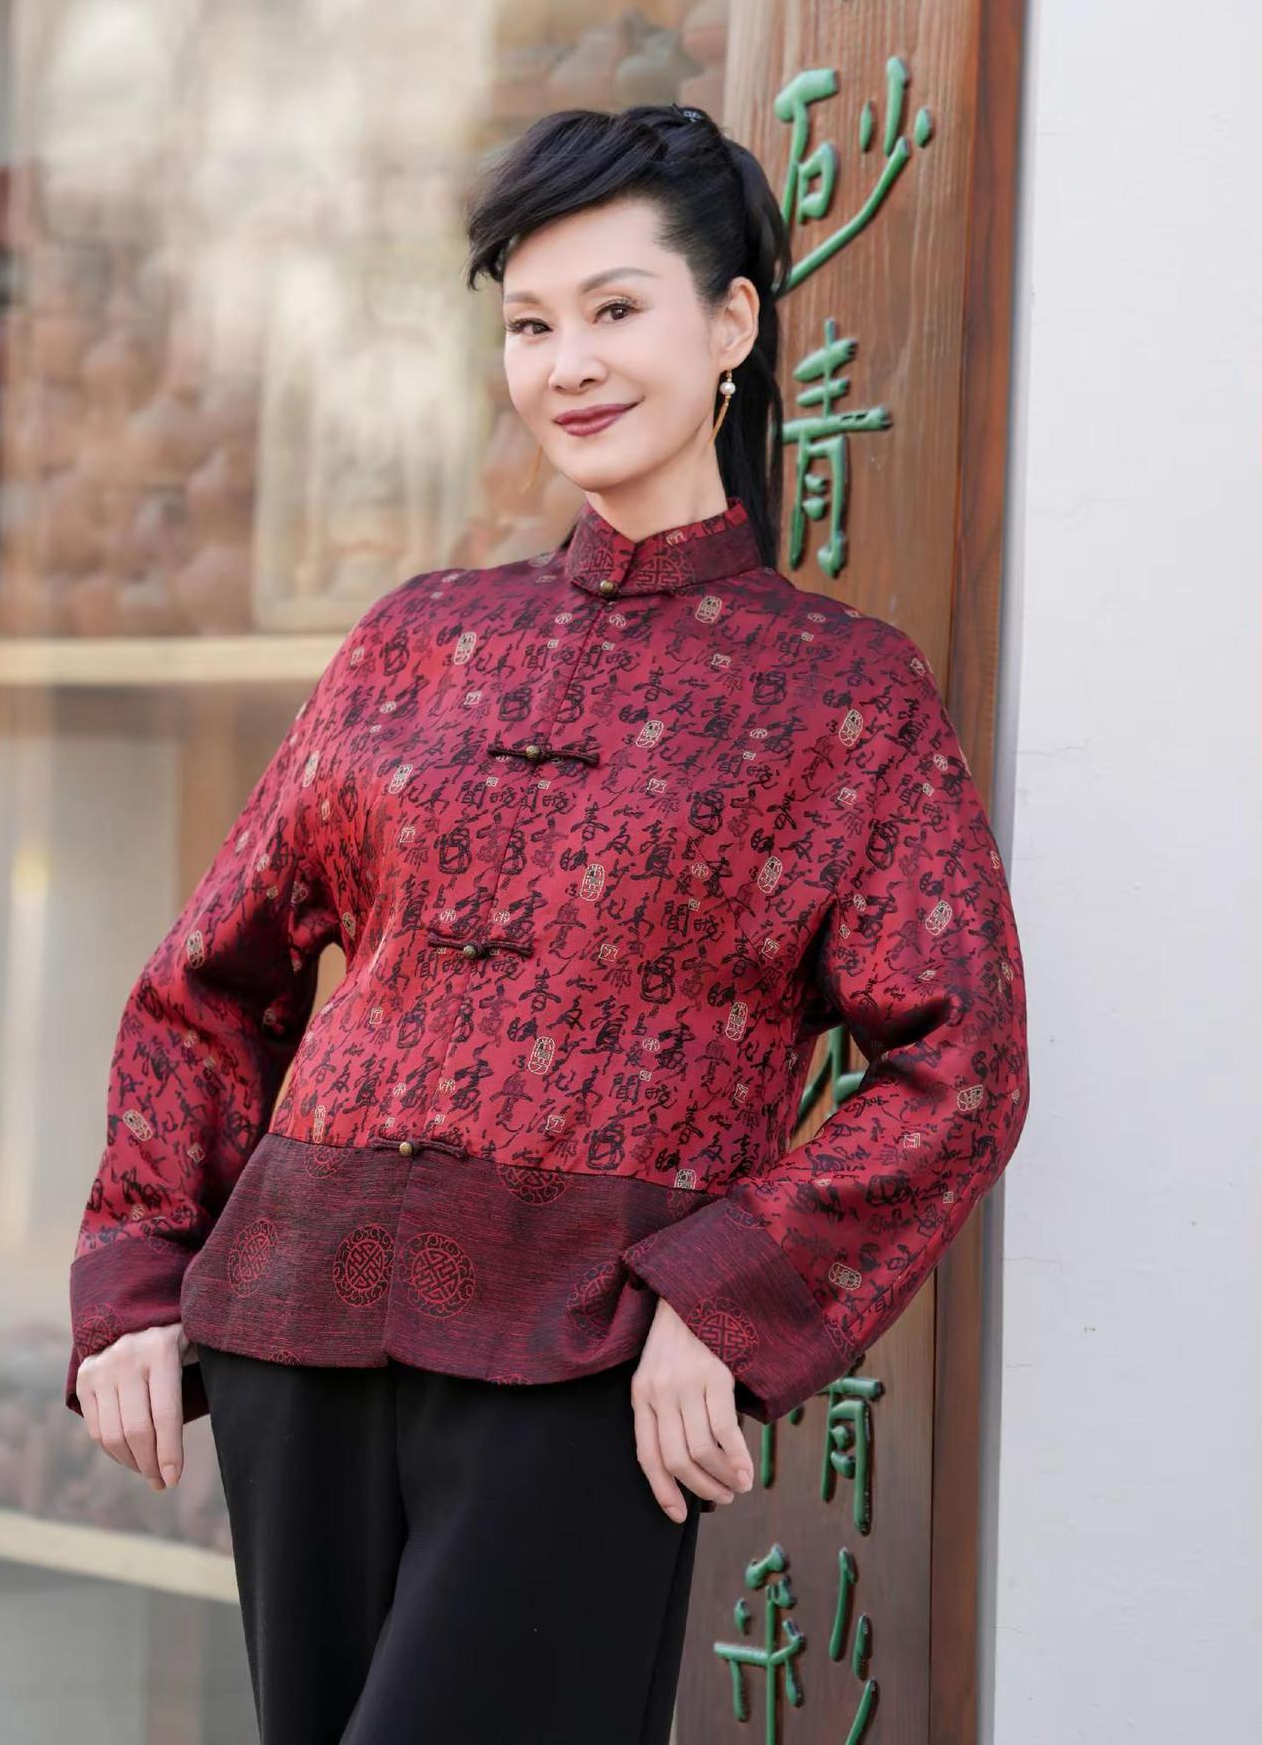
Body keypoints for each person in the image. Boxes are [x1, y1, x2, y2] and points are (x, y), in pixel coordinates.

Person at [64, 103, 1030, 1744]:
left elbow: (963, 1061)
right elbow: (209, 980)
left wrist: (724, 1299)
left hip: (586, 1363)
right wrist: (137, 1272)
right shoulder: (415, 638)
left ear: (731, 324)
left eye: (615, 309)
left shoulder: (841, 694)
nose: (568, 363)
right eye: (529, 324)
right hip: (300, 1331)